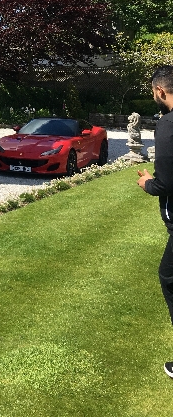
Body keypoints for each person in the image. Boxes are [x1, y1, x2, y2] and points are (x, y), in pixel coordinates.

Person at [137, 65, 173, 378]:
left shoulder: (168, 126)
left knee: (169, 276)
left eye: (153, 93)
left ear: (160, 91)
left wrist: (148, 182)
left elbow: (166, 183)